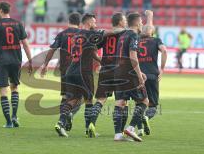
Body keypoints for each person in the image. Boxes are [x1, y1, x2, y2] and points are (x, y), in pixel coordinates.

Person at [54, 13, 104, 138]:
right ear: (88, 22)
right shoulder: (91, 35)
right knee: (88, 100)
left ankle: (60, 123)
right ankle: (88, 130)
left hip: (71, 70)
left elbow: (91, 53)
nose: (95, 24)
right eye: (94, 22)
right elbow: (104, 37)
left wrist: (101, 61)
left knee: (72, 99)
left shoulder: (76, 36)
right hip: (84, 72)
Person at [0, 1, 32, 128]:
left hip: (2, 61)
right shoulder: (18, 24)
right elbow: (25, 44)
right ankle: (14, 116)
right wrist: (30, 60)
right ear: (9, 10)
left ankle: (8, 122)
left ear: (0, 10)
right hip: (16, 60)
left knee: (3, 90)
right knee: (15, 87)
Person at [86, 12, 128, 141]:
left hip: (106, 69)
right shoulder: (126, 34)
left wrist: (99, 59)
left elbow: (91, 47)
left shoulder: (105, 35)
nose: (126, 22)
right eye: (124, 20)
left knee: (101, 99)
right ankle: (120, 131)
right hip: (119, 70)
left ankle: (91, 124)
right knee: (123, 102)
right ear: (120, 22)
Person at [41, 12, 81, 132]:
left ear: (68, 21)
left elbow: (52, 49)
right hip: (78, 68)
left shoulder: (62, 34)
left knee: (65, 96)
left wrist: (45, 64)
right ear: (79, 23)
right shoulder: (82, 34)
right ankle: (68, 115)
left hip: (64, 69)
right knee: (80, 96)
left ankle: (61, 121)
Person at [114, 12, 149, 142]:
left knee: (121, 102)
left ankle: (118, 134)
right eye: (141, 22)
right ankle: (131, 128)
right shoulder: (134, 35)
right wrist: (139, 75)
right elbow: (132, 56)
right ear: (137, 22)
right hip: (130, 74)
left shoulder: (122, 35)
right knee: (144, 101)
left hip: (119, 71)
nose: (142, 24)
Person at [137, 14, 167, 136]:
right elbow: (164, 51)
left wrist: (149, 17)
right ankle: (147, 118)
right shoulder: (155, 40)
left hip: (139, 76)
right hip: (152, 75)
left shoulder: (136, 40)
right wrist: (163, 68)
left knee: (140, 104)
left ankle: (139, 130)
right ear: (152, 33)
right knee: (153, 106)